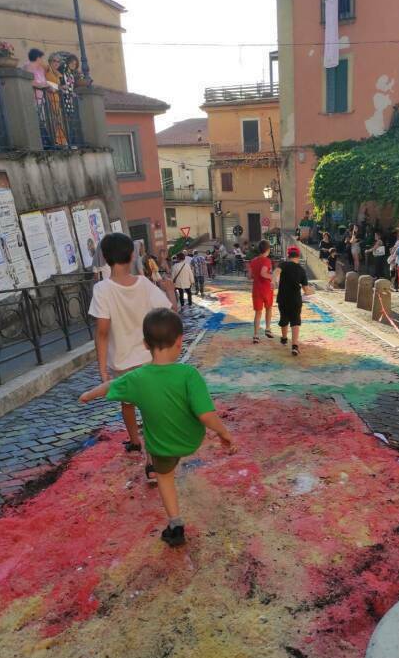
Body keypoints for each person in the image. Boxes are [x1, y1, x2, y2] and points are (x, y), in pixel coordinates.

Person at [79, 308, 237, 548]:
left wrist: (88, 395)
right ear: (180, 341)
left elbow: (111, 385)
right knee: (176, 452)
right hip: (191, 440)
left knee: (165, 478)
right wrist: (224, 434)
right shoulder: (189, 375)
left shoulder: (137, 378)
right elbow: (206, 415)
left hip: (161, 446)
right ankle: (175, 521)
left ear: (145, 344)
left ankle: (176, 524)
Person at [87, 232, 171, 477]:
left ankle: (135, 441)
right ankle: (152, 459)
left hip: (121, 361)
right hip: (148, 357)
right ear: (132, 255)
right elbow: (165, 309)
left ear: (104, 257)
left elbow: (102, 332)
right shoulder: (144, 284)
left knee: (128, 403)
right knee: (150, 407)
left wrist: (102, 368)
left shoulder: (102, 289)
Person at [274, 246, 314, 356]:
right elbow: (306, 290)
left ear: (288, 256)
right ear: (298, 256)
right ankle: (295, 346)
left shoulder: (283, 265)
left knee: (284, 318)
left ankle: (284, 338)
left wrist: (273, 281)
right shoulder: (301, 270)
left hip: (282, 298)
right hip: (295, 299)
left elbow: (276, 272)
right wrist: (312, 291)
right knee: (295, 321)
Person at [250, 239, 274, 344]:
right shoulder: (267, 260)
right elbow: (263, 273)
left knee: (258, 312)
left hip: (256, 289)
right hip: (266, 288)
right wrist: (272, 276)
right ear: (268, 250)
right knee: (268, 308)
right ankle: (267, 329)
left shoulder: (253, 260)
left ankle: (255, 335)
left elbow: (249, 276)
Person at [45, 54, 67, 146]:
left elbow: (59, 87)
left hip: (57, 99)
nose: (56, 63)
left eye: (58, 61)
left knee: (59, 120)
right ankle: (54, 141)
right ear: (50, 61)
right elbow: (45, 82)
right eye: (54, 61)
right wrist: (58, 87)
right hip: (48, 98)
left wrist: (61, 87)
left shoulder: (58, 74)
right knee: (52, 120)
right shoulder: (47, 70)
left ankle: (61, 142)